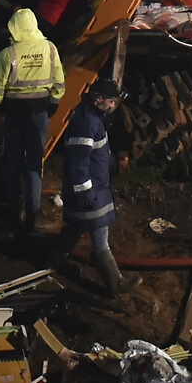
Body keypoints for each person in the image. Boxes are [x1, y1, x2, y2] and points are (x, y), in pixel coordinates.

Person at [60, 77, 140, 294]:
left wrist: (110, 161)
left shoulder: (92, 117)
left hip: (96, 187)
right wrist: (85, 192)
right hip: (91, 191)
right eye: (111, 101)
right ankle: (116, 283)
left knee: (77, 227)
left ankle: (55, 258)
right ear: (99, 99)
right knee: (99, 235)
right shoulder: (87, 123)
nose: (113, 106)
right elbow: (79, 163)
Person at [0, 7, 65, 235]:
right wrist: (53, 104)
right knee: (34, 164)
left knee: (13, 160)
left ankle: (14, 208)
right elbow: (59, 83)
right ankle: (33, 213)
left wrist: (0, 105)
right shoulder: (50, 49)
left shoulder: (7, 55)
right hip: (40, 114)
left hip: (14, 114)